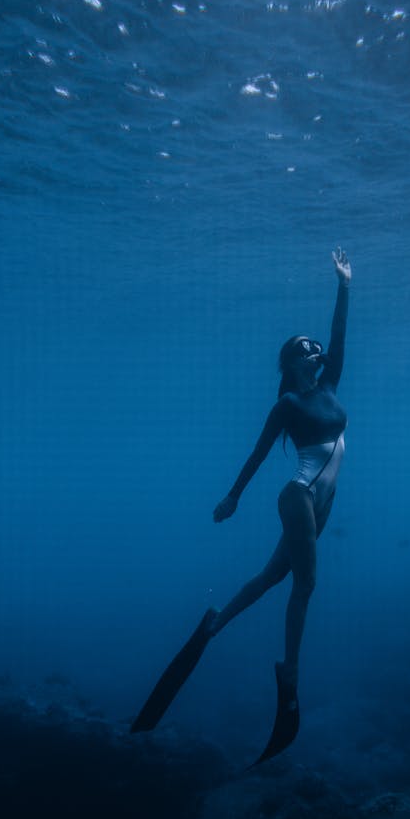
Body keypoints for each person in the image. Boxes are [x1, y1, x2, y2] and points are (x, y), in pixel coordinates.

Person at [131, 248, 352, 764]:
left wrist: (345, 285)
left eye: (317, 350)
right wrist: (233, 496)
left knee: (274, 576)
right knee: (306, 583)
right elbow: (257, 453)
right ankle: (290, 673)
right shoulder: (288, 405)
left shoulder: (331, 383)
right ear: (291, 362)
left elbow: (340, 336)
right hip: (298, 497)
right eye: (308, 351)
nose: (318, 353)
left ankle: (215, 623)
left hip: (326, 500)